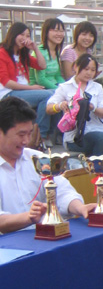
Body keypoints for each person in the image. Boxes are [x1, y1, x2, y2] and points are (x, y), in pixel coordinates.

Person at [0, 96, 96, 234]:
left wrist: (80, 208)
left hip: (45, 237)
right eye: (21, 135)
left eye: (29, 133)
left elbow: (63, 192)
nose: (26, 141)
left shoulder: (37, 158)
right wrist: (29, 217)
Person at [47, 54, 103, 156]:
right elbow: (49, 108)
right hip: (75, 137)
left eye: (92, 70)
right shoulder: (65, 87)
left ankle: (101, 165)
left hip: (98, 130)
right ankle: (97, 165)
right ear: (75, 67)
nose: (89, 73)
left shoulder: (98, 87)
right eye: (86, 69)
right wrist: (60, 106)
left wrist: (92, 108)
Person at [0, 22, 54, 140]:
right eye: (22, 35)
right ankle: (40, 135)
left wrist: (35, 48)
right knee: (47, 95)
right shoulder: (2, 53)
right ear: (13, 34)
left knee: (55, 94)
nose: (25, 38)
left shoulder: (22, 54)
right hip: (8, 93)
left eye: (28, 36)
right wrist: (32, 88)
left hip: (23, 91)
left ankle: (52, 133)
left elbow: (42, 65)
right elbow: (6, 82)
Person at [31, 18, 66, 90]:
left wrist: (66, 87)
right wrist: (59, 90)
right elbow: (41, 80)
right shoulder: (40, 52)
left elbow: (57, 76)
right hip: (40, 88)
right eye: (56, 30)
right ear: (46, 32)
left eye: (61, 31)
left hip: (54, 86)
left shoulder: (56, 51)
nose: (59, 34)